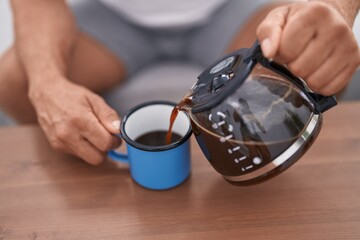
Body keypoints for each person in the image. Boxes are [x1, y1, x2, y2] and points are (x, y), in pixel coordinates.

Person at [0, 0, 359, 165]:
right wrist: (46, 83)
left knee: (310, 61)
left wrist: (335, 10)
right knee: (14, 80)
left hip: (230, 8)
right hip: (114, 14)